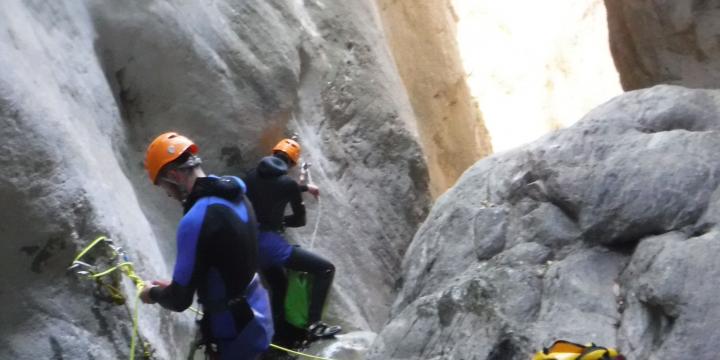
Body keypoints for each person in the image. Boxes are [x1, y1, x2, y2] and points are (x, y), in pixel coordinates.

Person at [139, 132, 273, 360]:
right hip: (258, 312)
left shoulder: (196, 220)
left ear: (174, 176)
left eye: (165, 187)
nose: (168, 195)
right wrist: (180, 284)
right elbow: (228, 260)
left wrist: (151, 293)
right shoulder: (237, 196)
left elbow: (179, 301)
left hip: (233, 330)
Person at [243, 138, 340, 345]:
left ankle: (278, 336)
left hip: (249, 242)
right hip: (270, 245)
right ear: (292, 164)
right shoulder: (287, 184)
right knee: (325, 269)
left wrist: (302, 188)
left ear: (273, 152)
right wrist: (281, 221)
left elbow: (269, 189)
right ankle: (314, 325)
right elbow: (299, 220)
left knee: (279, 285)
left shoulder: (252, 174)